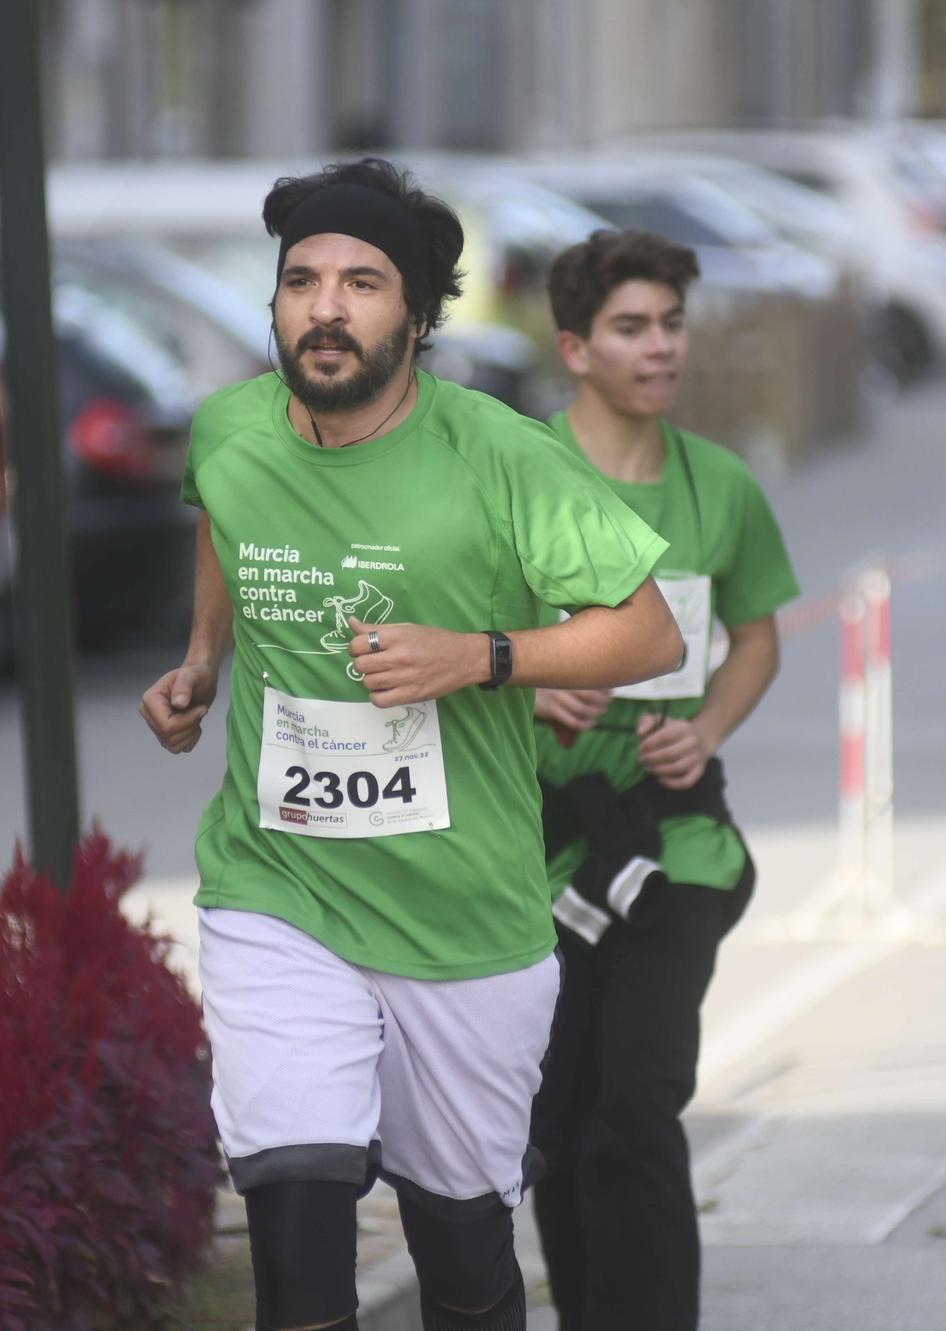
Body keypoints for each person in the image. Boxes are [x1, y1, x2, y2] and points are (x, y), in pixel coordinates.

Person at [138, 159, 683, 1331]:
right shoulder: (231, 429)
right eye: (301, 281)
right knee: (292, 1193)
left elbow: (648, 630)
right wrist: (200, 660)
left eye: (362, 282)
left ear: (418, 314)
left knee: (462, 1249)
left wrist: (480, 656)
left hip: (463, 917)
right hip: (277, 881)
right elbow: (221, 525)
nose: (324, 307)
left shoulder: (497, 455)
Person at [521, 229, 800, 1329]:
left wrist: (708, 727)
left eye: (671, 324)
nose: (659, 347)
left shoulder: (717, 485)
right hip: (539, 851)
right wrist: (531, 683)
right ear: (574, 349)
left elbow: (758, 637)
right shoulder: (516, 472)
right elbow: (460, 636)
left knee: (635, 1104)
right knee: (561, 1117)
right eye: (631, 327)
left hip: (676, 844)